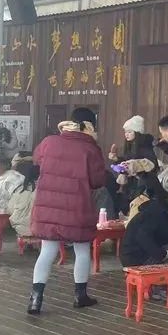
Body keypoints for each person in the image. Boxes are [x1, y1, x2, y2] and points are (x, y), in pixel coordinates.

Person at [27, 107, 108, 314]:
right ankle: (80, 295)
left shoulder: (49, 141)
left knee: (47, 251)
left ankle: (35, 299)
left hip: (48, 206)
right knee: (82, 250)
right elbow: (97, 180)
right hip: (77, 207)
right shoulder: (90, 148)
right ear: (89, 126)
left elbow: (37, 160)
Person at [120, 193, 168, 267]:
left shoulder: (160, 211)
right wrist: (162, 254)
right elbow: (143, 237)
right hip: (136, 259)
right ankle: (165, 273)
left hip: (136, 254)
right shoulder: (157, 215)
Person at [8, 161, 38, 237]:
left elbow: (10, 209)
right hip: (41, 229)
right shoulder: (42, 191)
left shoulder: (19, 191)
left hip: (22, 229)